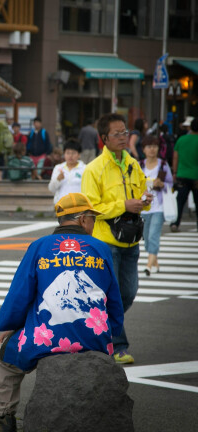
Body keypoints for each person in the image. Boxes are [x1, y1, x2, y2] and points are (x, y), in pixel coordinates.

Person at [0, 193, 124, 432]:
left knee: (4, 358)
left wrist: (8, 326)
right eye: (93, 218)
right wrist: (110, 330)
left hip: (46, 337)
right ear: (83, 220)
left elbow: (20, 295)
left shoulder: (39, 247)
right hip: (94, 337)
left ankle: (3, 418)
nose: (94, 224)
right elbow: (114, 301)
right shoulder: (101, 248)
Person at [81, 113, 153, 364]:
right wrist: (123, 204)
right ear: (104, 138)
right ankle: (118, 345)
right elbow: (91, 208)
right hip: (105, 242)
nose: (124, 137)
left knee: (128, 293)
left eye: (125, 132)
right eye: (117, 134)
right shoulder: (94, 169)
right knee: (112, 295)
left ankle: (97, 325)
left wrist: (144, 200)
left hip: (131, 239)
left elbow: (141, 192)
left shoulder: (133, 163)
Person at [139, 135, 173, 275]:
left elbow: (170, 184)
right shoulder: (139, 165)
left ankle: (149, 265)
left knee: (153, 235)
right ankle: (156, 263)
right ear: (144, 149)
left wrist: (162, 184)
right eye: (149, 147)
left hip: (159, 206)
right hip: (143, 207)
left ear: (158, 148)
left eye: (154, 146)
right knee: (146, 238)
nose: (152, 149)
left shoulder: (163, 165)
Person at [170, 117, 198, 232]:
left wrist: (175, 172)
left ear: (190, 127)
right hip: (196, 177)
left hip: (182, 174)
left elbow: (175, 157)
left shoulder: (181, 139)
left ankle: (176, 223)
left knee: (180, 201)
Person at [48, 139, 85, 204]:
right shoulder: (58, 168)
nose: (70, 156)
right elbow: (51, 189)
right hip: (61, 207)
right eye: (68, 153)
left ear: (79, 155)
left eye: (73, 153)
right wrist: (58, 179)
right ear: (64, 154)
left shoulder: (84, 168)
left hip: (79, 207)